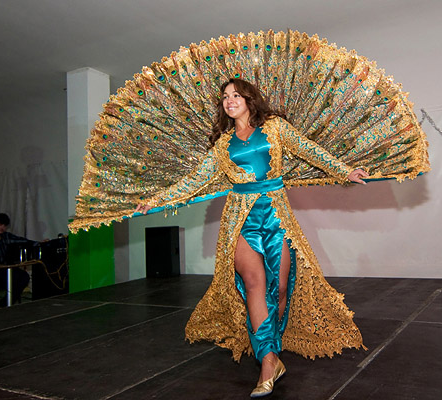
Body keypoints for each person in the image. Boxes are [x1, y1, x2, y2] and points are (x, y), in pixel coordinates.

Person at [136, 78, 368, 397]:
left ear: (249, 99)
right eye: (225, 97)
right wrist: (157, 200)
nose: (229, 100)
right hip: (240, 219)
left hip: (275, 214)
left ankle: (271, 345)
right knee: (254, 283)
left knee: (281, 287)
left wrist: (343, 171)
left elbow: (309, 150)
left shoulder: (274, 127)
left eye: (236, 95)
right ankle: (268, 361)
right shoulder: (222, 145)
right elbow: (194, 181)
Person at [0, 213, 32, 310]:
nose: (2, 228)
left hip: (3, 270)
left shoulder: (7, 237)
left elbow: (24, 241)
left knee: (23, 277)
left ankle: (4, 304)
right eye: (0, 224)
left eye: (4, 225)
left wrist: (39, 243)